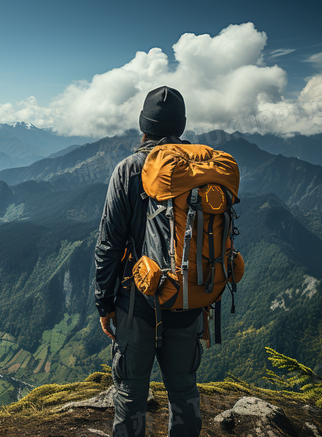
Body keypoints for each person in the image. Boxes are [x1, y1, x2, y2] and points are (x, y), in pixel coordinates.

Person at [94, 86, 203, 437]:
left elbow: (108, 244)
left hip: (136, 305)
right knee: (184, 390)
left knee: (130, 393)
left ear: (144, 125)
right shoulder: (203, 168)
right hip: (189, 300)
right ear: (182, 125)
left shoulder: (128, 170)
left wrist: (104, 302)